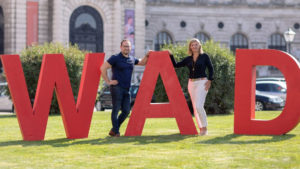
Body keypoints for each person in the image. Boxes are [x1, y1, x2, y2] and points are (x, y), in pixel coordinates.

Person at [100, 39, 149, 137]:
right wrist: (108, 81)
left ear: (130, 48)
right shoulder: (115, 58)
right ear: (121, 47)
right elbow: (103, 68)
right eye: (125, 46)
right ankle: (116, 132)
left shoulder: (131, 58)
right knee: (116, 109)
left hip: (127, 89)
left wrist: (148, 54)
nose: (127, 48)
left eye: (128, 46)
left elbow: (142, 62)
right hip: (117, 88)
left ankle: (114, 129)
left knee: (126, 111)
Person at [169, 38, 214, 136]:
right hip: (191, 83)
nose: (194, 46)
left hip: (202, 82)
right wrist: (171, 55)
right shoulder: (188, 59)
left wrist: (210, 80)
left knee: (199, 105)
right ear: (190, 47)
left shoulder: (204, 56)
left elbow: (211, 68)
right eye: (192, 45)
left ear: (199, 45)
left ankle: (205, 128)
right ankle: (200, 128)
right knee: (195, 107)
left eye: (196, 44)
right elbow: (176, 65)